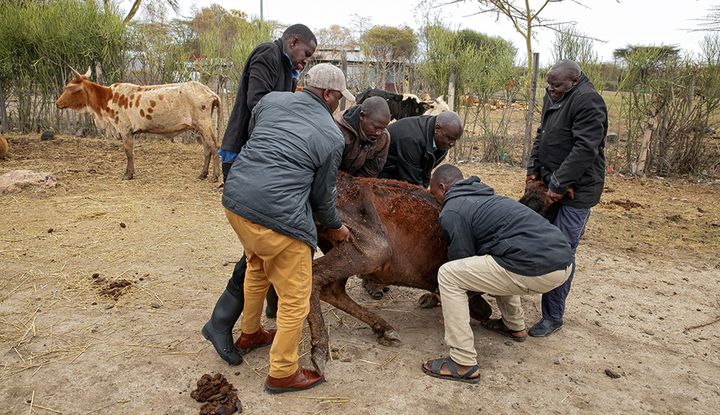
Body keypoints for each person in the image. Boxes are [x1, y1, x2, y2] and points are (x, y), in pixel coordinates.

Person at [220, 63, 353, 394]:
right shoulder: (332, 136)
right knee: (295, 297)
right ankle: (282, 371)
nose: (340, 104)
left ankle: (250, 332)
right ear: (327, 94)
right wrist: (336, 228)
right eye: (339, 97)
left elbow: (259, 141)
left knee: (257, 265)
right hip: (278, 217)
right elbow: (323, 197)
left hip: (236, 202)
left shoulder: (271, 101)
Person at [203, 24, 317, 368]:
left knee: (262, 244)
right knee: (259, 241)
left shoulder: (284, 66)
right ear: (292, 41)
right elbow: (257, 103)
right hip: (243, 155)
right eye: (305, 54)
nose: (305, 62)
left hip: (256, 155)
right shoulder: (269, 54)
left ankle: (265, 309)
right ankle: (220, 323)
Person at [421, 164, 573, 383]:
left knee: (449, 274)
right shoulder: (487, 196)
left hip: (537, 268)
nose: (433, 196)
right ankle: (514, 326)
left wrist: (459, 304)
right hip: (562, 263)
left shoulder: (453, 209)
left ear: (443, 188)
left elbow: (462, 261)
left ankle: (462, 361)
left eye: (432, 190)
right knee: (495, 259)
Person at [526, 59, 608, 337]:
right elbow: (543, 135)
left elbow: (586, 148)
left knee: (561, 250)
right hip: (549, 182)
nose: (550, 90)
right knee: (531, 236)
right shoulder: (555, 96)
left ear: (574, 81)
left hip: (577, 192)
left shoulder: (588, 101)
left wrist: (559, 184)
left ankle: (553, 315)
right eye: (548, 84)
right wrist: (533, 171)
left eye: (557, 85)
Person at [334, 96, 392, 299]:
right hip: (327, 189)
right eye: (375, 126)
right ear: (362, 117)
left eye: (383, 127)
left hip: (353, 191)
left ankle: (369, 276)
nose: (379, 132)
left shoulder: (383, 138)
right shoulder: (336, 130)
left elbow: (370, 176)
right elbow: (326, 171)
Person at [379, 111, 463, 188]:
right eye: (450, 138)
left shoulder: (442, 142)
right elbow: (411, 181)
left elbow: (425, 172)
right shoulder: (412, 139)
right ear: (437, 128)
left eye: (455, 140)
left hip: (402, 171)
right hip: (381, 174)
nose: (452, 144)